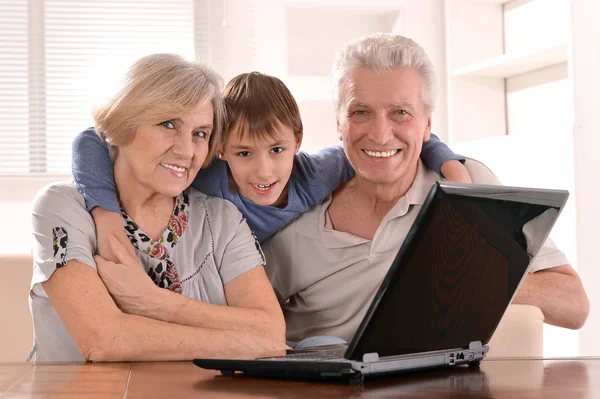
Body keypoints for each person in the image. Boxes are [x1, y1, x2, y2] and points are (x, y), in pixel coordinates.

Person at [261, 33, 590, 343]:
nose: (380, 133)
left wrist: (461, 277)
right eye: (360, 112)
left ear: (427, 125)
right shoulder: (291, 204)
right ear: (339, 123)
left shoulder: (469, 183)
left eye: (400, 113)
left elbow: (573, 305)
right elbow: (246, 317)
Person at [29, 54, 288, 363]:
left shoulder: (221, 218)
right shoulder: (61, 208)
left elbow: (272, 331)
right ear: (124, 123)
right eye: (168, 124)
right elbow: (104, 340)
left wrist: (153, 302)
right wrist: (244, 344)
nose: (186, 150)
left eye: (200, 134)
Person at [71, 71, 470, 262]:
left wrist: (453, 169)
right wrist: (104, 214)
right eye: (244, 154)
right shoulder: (206, 171)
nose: (264, 172)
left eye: (277, 150)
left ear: (297, 142)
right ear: (222, 148)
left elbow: (400, 140)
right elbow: (91, 138)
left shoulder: (316, 173)